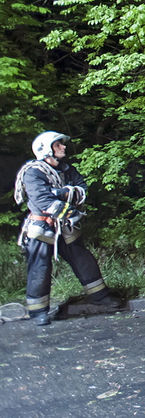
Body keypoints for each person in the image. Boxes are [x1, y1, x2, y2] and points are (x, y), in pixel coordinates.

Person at [14, 131, 120, 326]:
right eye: (58, 145)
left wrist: (59, 193)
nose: (63, 147)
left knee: (83, 259)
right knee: (40, 267)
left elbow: (82, 191)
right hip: (42, 227)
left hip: (65, 227)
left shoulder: (67, 170)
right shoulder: (33, 172)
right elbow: (43, 199)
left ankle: (101, 297)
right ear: (46, 149)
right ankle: (38, 312)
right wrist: (68, 199)